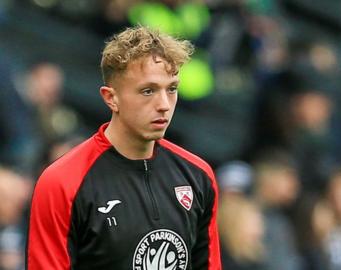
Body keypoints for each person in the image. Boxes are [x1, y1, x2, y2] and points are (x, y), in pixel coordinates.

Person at [26, 26, 222, 270]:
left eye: (171, 89)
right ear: (111, 98)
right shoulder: (63, 182)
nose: (163, 104)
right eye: (148, 91)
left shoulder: (198, 175)